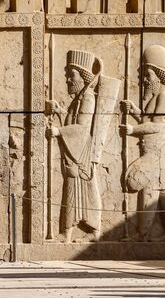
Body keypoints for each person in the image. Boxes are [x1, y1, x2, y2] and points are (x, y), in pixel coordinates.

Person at [119, 45, 165, 242]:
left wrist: (133, 130)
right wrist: (135, 110)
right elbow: (147, 120)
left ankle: (147, 234)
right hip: (154, 153)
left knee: (154, 193)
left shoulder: (164, 97)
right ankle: (159, 233)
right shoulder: (155, 97)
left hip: (158, 153)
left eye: (148, 74)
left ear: (159, 76)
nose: (145, 79)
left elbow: (157, 126)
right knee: (159, 194)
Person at [46, 50, 102, 243]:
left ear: (83, 76)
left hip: (81, 155)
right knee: (71, 189)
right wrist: (59, 110)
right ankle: (68, 232)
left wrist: (59, 132)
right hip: (74, 153)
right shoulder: (78, 99)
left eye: (72, 75)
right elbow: (72, 119)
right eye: (67, 76)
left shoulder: (88, 98)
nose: (68, 80)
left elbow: (82, 127)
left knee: (82, 191)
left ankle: (91, 230)